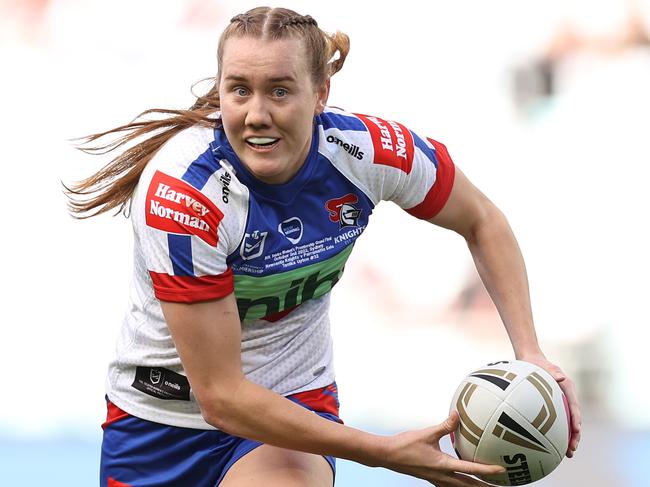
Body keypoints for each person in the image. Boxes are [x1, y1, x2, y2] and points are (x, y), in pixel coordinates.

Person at [67, 6, 581, 487]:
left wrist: (531, 353)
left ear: (321, 95)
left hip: (290, 403)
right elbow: (221, 397)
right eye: (239, 91)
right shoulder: (186, 194)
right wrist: (384, 451)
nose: (256, 114)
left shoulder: (369, 153)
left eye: (280, 91)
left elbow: (483, 220)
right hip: (158, 422)